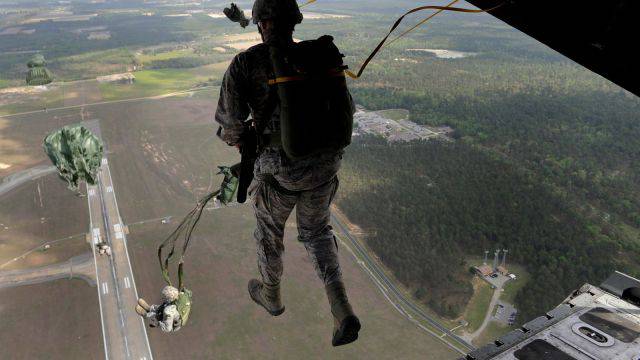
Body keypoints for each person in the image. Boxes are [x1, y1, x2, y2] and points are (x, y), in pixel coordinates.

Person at [214, 0, 360, 346]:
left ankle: (272, 296)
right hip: (325, 169)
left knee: (269, 232)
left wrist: (247, 139)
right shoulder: (317, 58)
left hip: (280, 175)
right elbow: (345, 109)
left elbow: (229, 127)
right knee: (317, 233)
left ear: (261, 23)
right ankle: (342, 308)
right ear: (295, 22)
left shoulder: (246, 64)